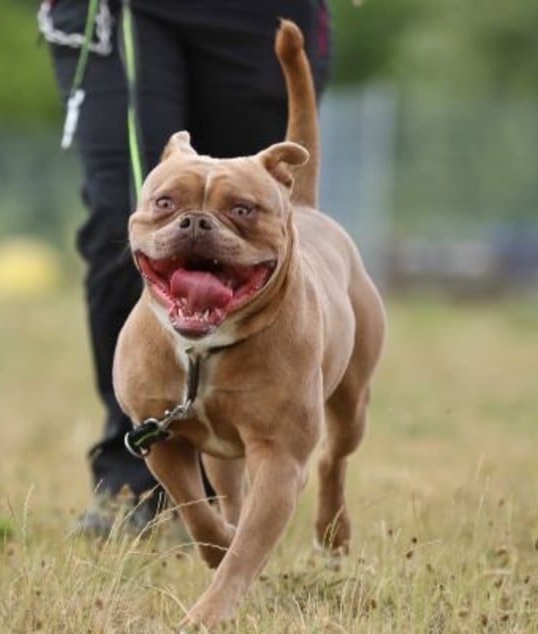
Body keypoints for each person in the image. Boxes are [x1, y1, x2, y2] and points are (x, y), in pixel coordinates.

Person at [38, 0, 331, 535]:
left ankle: (240, 455)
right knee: (141, 218)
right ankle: (138, 481)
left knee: (245, 220)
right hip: (123, 12)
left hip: (257, 17)